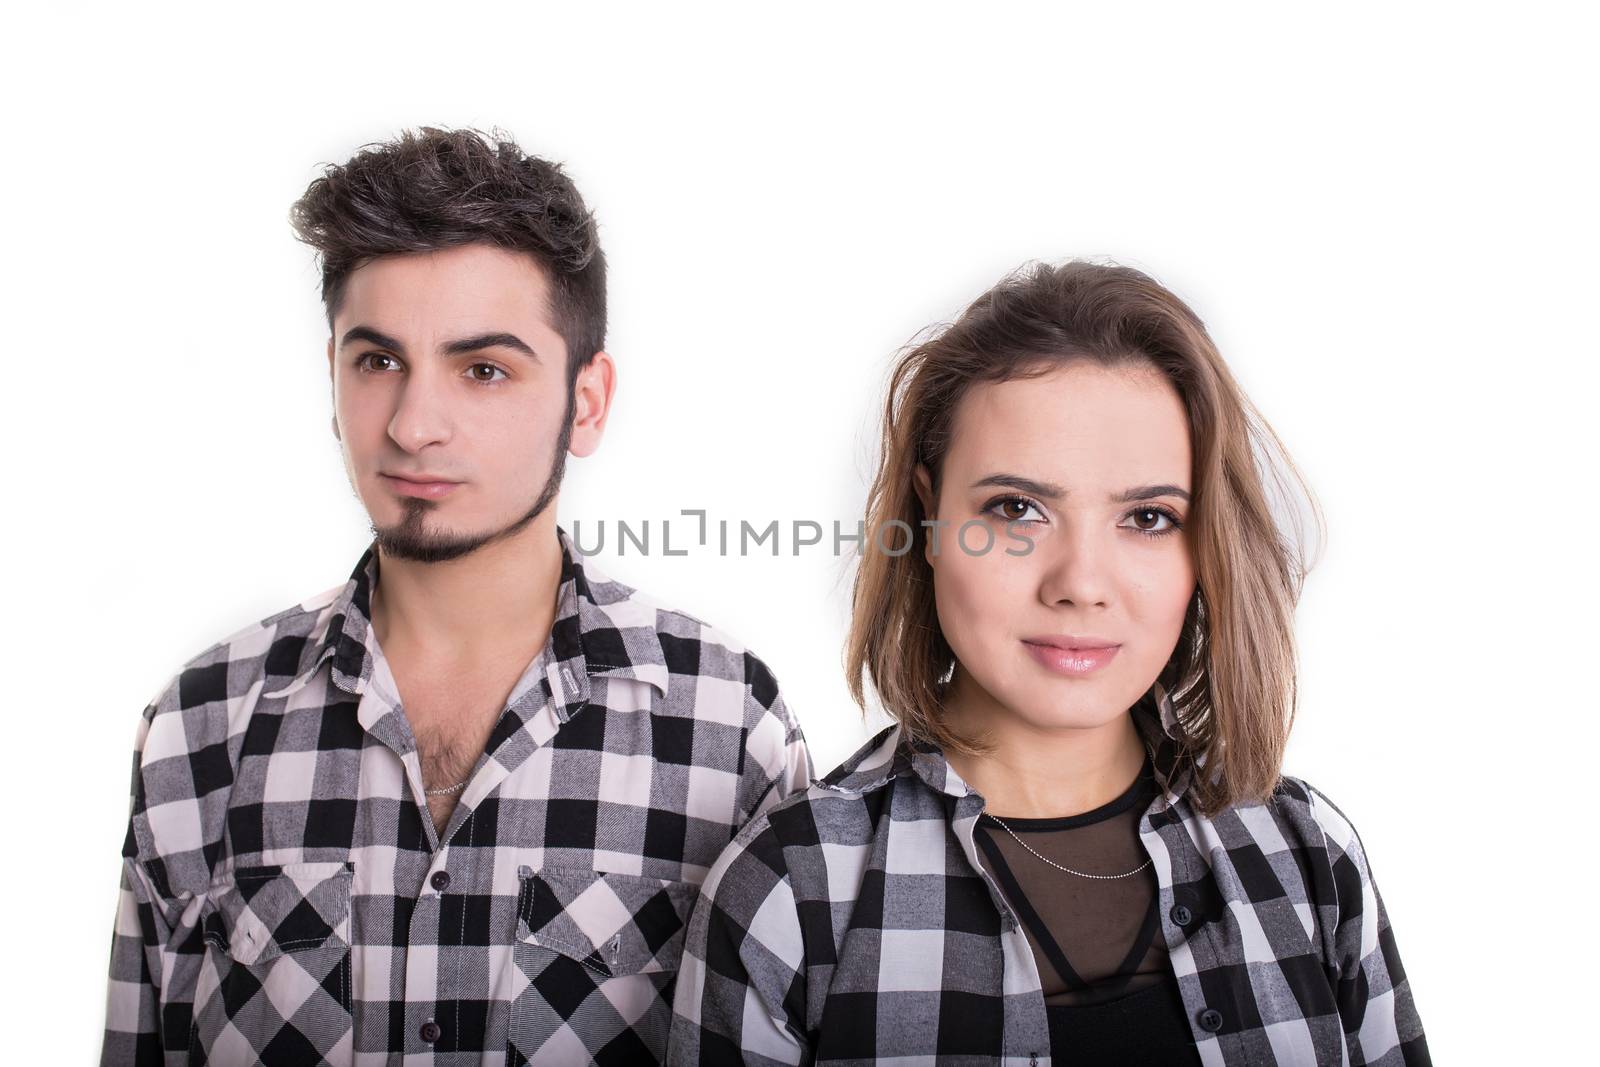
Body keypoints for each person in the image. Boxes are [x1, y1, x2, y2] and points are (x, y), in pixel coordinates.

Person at [100, 126, 812, 1066]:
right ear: (334, 377)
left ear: (587, 401)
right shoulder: (203, 724)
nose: (413, 423)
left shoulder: (729, 727)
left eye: (483, 370)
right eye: (377, 361)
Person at [668, 261, 1429, 1065]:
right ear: (930, 519)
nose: (1081, 584)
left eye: (1147, 516)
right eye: (1016, 508)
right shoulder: (791, 890)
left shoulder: (1306, 855)